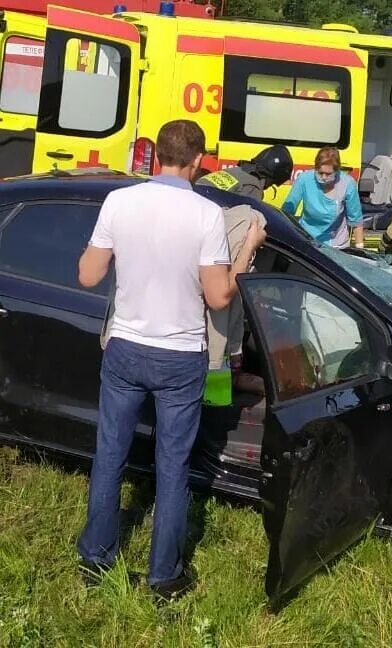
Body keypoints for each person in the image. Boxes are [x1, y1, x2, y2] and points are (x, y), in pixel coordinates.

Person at [76, 119, 267, 601]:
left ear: (156, 154)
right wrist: (248, 248)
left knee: (110, 457)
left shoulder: (119, 201)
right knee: (172, 466)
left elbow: (88, 275)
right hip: (180, 357)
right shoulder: (206, 214)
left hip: (125, 349)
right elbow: (220, 297)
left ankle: (96, 558)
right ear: (200, 160)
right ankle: (164, 578)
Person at [198, 146, 294, 394]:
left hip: (199, 257)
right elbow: (246, 231)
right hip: (220, 266)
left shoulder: (234, 173)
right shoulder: (251, 189)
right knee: (226, 329)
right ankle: (221, 391)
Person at [282, 147, 364, 249]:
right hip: (307, 238)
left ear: (337, 171)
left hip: (336, 244)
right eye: (320, 173)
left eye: (328, 174)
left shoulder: (348, 184)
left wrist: (360, 247)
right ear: (315, 168)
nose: (324, 177)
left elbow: (356, 220)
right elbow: (287, 212)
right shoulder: (304, 179)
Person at [196, 145, 293, 200]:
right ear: (270, 177)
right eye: (272, 183)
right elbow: (243, 225)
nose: (267, 187)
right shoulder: (252, 188)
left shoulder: (236, 171)